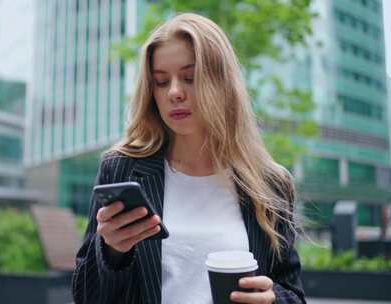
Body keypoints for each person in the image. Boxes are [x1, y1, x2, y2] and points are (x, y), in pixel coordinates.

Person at [72, 13, 305, 304]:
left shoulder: (270, 183)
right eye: (160, 81)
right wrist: (111, 252)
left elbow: (293, 293)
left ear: (222, 83)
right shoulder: (121, 169)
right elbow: (85, 296)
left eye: (189, 78)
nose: (174, 92)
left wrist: (272, 299)